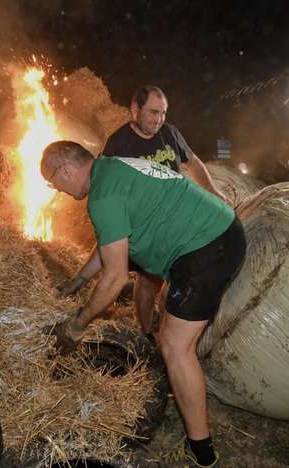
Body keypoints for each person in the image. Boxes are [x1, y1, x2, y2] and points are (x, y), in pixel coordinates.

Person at [42, 141, 245, 467]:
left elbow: (115, 277)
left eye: (54, 183)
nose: (59, 191)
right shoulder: (112, 168)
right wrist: (78, 281)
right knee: (172, 323)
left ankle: (201, 452)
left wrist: (78, 325)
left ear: (65, 170)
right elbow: (111, 241)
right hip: (221, 230)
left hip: (206, 249)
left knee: (175, 347)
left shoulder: (103, 196)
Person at [57, 85, 227, 339]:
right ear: (135, 109)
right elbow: (105, 194)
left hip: (173, 219)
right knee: (147, 280)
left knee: (174, 280)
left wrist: (213, 192)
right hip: (143, 224)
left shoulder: (170, 134)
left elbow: (191, 162)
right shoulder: (119, 144)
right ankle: (146, 330)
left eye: (164, 113)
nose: (159, 119)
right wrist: (81, 278)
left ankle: (173, 331)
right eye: (153, 112)